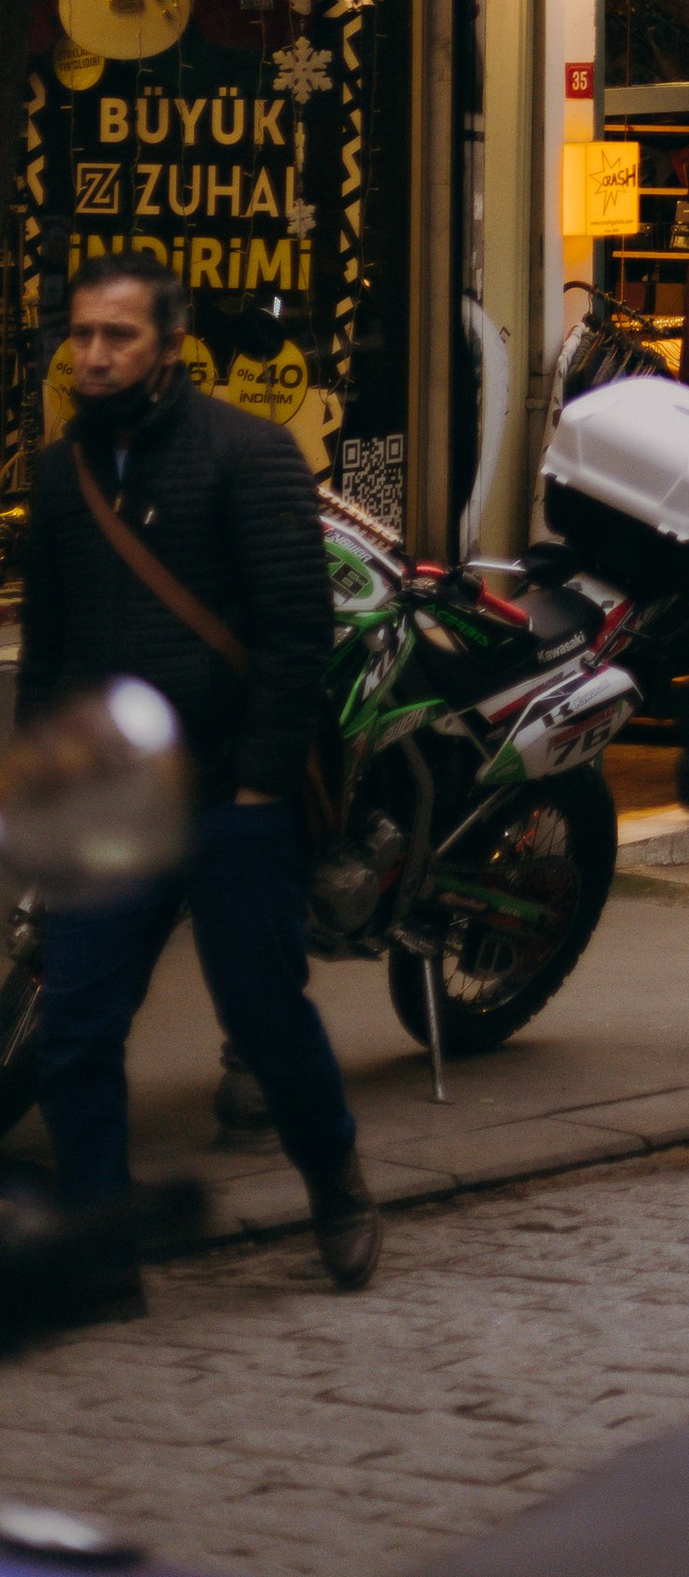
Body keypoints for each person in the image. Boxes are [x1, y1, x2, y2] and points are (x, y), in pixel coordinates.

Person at [22, 256, 379, 1306]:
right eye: (82, 335)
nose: (94, 356)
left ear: (170, 346)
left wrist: (266, 784)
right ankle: (101, 1247)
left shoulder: (250, 452)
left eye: (118, 337)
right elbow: (48, 645)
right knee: (77, 1029)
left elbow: (294, 630)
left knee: (265, 1015)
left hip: (230, 795)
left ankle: (334, 1179)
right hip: (110, 804)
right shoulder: (58, 473)